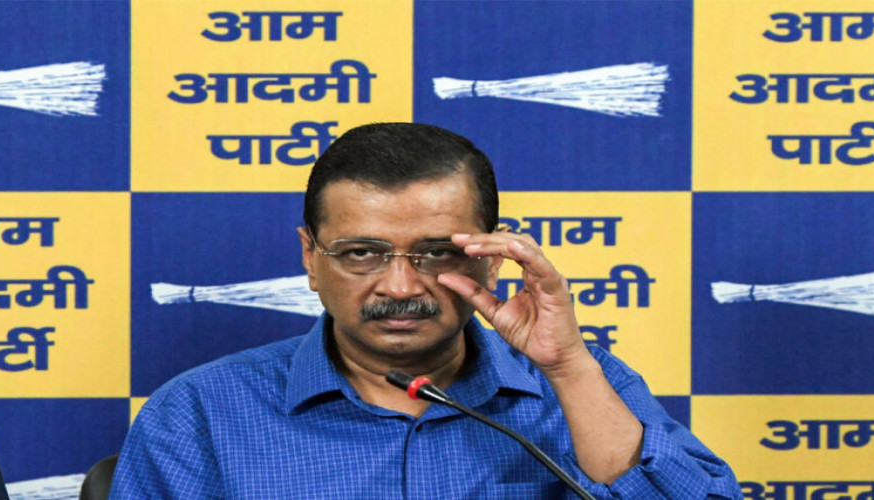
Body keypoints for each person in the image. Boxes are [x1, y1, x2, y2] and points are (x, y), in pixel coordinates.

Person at [110, 123, 741, 499]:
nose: (399, 285)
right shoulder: (200, 412)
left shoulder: (584, 384)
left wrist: (569, 368)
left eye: (437, 253)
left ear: (492, 258)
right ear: (310, 257)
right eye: (362, 253)